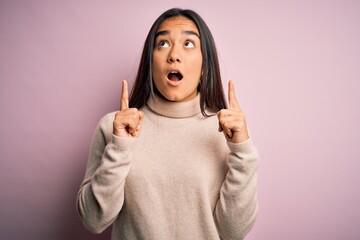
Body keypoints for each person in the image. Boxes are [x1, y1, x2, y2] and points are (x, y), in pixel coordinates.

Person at [77, 8, 259, 240]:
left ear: (205, 66)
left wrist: (242, 151)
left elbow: (234, 231)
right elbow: (93, 221)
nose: (174, 54)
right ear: (150, 63)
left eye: (189, 44)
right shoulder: (113, 128)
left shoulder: (229, 132)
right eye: (162, 43)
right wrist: (120, 147)